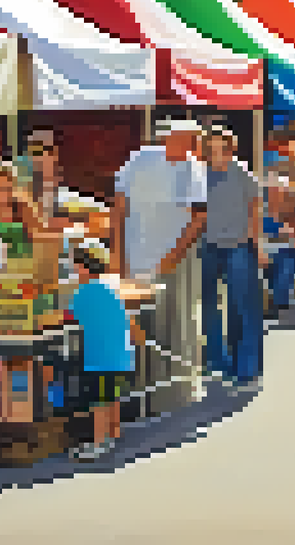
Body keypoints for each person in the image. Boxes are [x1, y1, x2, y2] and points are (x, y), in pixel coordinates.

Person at [114, 118, 208, 396]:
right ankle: (140, 390)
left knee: (175, 324)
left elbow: (198, 218)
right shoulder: (139, 160)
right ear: (169, 138)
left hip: (172, 262)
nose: (194, 145)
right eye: (189, 139)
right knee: (138, 326)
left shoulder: (194, 169)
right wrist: (118, 254)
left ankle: (177, 389)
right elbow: (119, 207)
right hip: (134, 258)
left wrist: (172, 257)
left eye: (195, 140)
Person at [67, 239, 144, 461]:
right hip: (120, 354)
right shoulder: (111, 288)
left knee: (98, 400)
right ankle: (113, 433)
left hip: (99, 356)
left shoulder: (84, 292)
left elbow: (70, 318)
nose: (74, 269)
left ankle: (99, 443)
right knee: (112, 396)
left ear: (84, 267)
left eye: (75, 264)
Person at [201, 127, 263, 387]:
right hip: (208, 245)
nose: (217, 152)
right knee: (208, 306)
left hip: (238, 245)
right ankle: (217, 361)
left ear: (231, 148)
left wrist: (256, 245)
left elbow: (255, 210)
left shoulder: (242, 173)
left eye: (222, 147)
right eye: (212, 147)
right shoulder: (200, 174)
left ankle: (247, 366)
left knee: (242, 306)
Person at [265, 160, 295, 314]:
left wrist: (290, 235)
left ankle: (278, 304)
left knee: (284, 260)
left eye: (279, 190)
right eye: (271, 190)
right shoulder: (262, 209)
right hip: (268, 251)